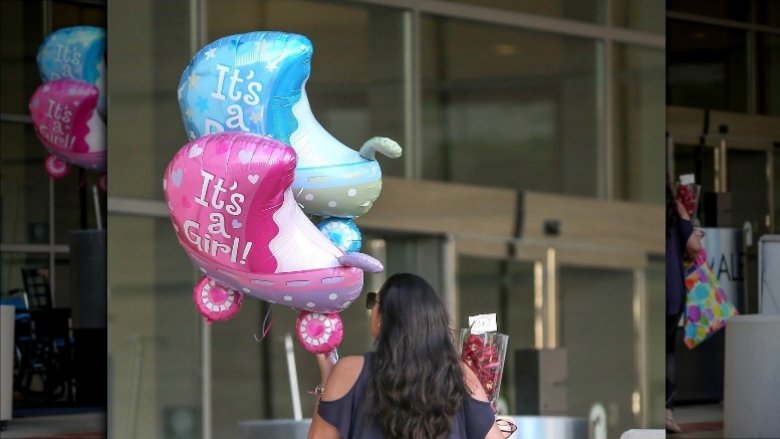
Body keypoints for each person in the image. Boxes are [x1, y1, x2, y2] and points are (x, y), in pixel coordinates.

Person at [308, 272, 505, 439]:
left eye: (372, 301)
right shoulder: (461, 376)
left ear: (384, 317)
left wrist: (327, 378)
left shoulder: (349, 372)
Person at [665, 182, 702, 433]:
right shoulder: (672, 209)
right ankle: (666, 411)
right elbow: (695, 247)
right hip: (671, 291)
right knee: (667, 351)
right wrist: (685, 214)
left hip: (646, 288)